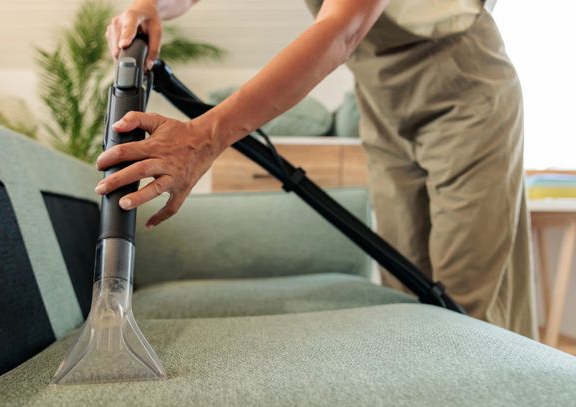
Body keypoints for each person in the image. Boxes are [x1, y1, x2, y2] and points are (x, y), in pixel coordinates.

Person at [97, 0, 536, 338]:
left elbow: (343, 29)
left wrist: (205, 137)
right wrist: (148, 6)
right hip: (381, 101)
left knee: (463, 298)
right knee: (408, 286)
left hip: (463, 87)